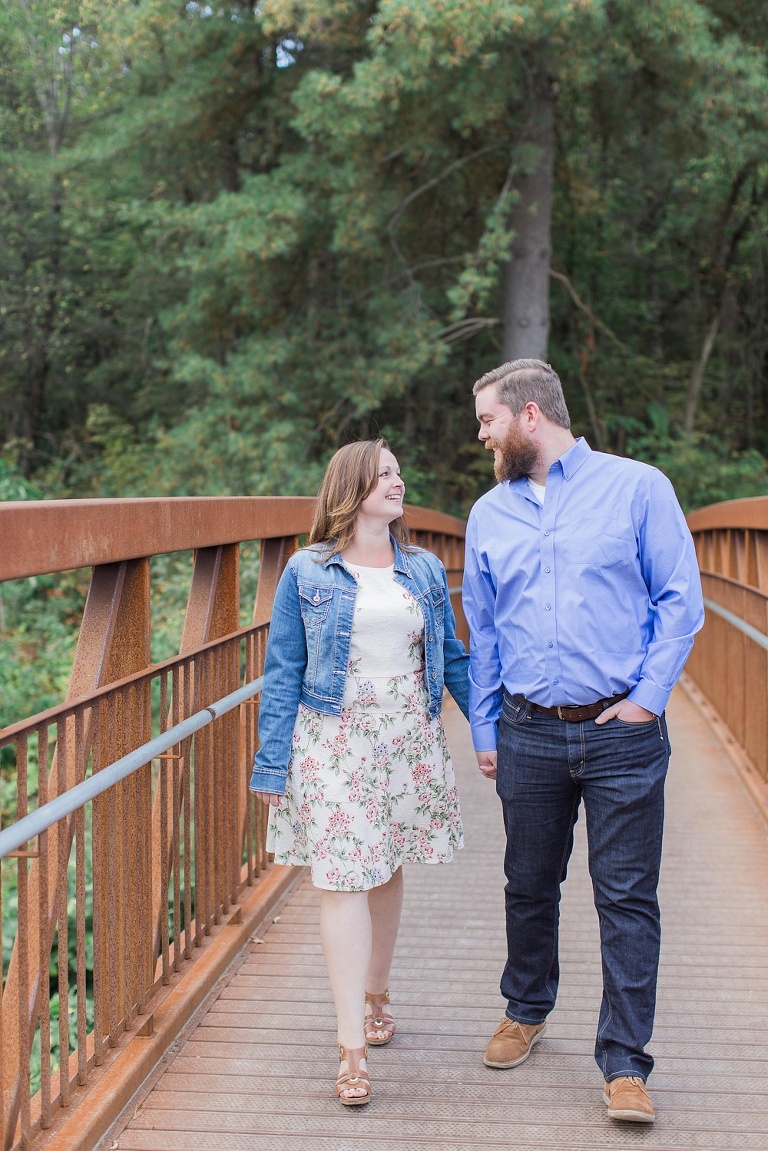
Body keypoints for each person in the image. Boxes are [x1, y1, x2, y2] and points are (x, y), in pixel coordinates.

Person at [462, 359, 704, 1125]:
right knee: (528, 882)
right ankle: (526, 1008)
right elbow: (486, 624)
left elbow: (681, 599)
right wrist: (484, 722)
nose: (482, 435)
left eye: (488, 420)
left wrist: (645, 700)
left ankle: (626, 1062)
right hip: (528, 729)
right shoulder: (488, 514)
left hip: (620, 733)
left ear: (530, 416)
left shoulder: (638, 488)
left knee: (627, 896)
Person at [249, 438, 469, 1106]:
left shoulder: (426, 569)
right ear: (351, 486)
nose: (399, 481)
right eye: (385, 473)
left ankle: (378, 990)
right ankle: (351, 1049)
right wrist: (272, 759)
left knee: (387, 863)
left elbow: (452, 656)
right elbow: (283, 666)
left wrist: (492, 730)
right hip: (333, 741)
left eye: (401, 470)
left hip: (407, 739)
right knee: (343, 877)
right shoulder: (307, 571)